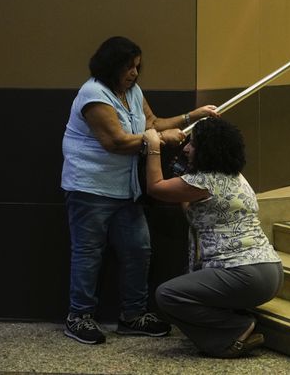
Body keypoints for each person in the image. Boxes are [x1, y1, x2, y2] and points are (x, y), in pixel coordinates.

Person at [61, 35, 218, 345]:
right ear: (111, 66)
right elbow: (116, 142)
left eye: (137, 67)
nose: (134, 73)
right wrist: (157, 140)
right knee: (88, 254)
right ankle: (78, 317)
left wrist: (192, 116)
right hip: (89, 188)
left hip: (125, 189)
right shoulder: (93, 93)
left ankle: (132, 315)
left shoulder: (131, 91)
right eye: (128, 67)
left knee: (138, 249)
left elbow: (153, 123)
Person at [142, 118, 283, 358]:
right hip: (270, 271)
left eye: (193, 145)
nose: (186, 149)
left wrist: (153, 143)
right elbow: (194, 211)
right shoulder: (235, 177)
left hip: (242, 273)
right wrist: (184, 179)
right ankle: (229, 334)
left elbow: (155, 187)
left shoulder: (204, 182)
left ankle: (235, 329)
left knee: (167, 294)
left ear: (208, 150)